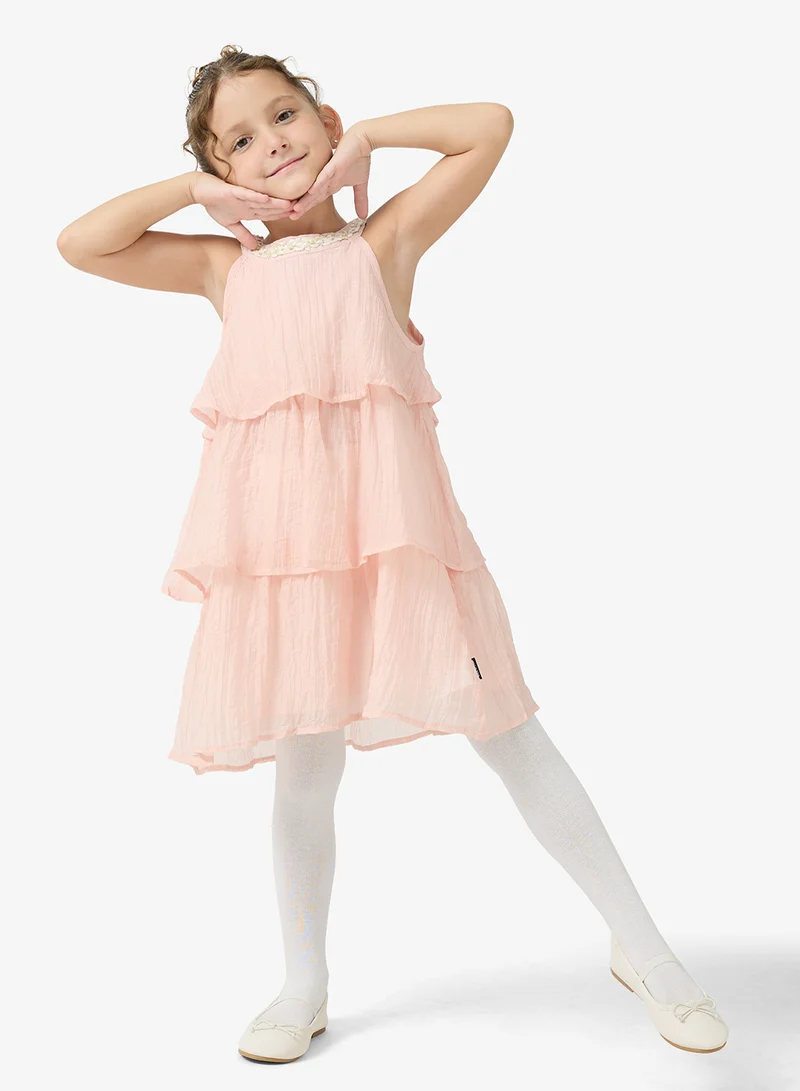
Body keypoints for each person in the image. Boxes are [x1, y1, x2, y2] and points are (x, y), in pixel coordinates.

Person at [57, 45, 728, 1063]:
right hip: (291, 571)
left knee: (513, 736)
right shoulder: (221, 269)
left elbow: (489, 124)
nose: (270, 143)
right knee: (304, 772)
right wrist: (194, 194)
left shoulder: (384, 243)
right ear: (222, 171)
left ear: (324, 123)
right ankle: (303, 981)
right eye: (238, 140)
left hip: (407, 553)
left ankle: (646, 950)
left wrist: (370, 138)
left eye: (285, 115)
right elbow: (80, 242)